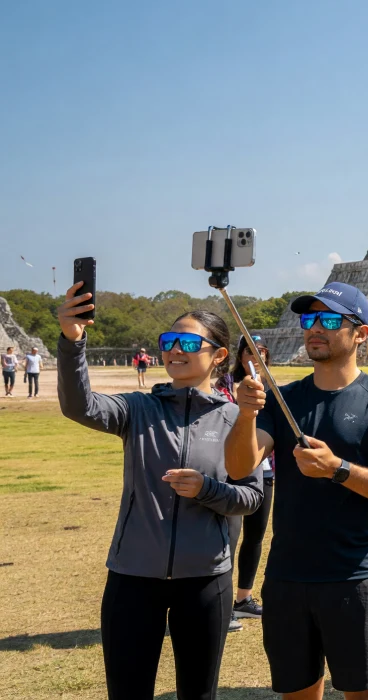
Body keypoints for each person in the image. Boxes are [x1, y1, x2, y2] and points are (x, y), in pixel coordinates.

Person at [54, 281, 263, 700]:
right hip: (133, 576)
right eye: (168, 341)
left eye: (188, 341)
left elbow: (251, 497)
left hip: (206, 580)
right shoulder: (137, 408)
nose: (173, 350)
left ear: (219, 355)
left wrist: (206, 489)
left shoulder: (234, 417)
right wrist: (72, 341)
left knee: (198, 694)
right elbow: (80, 406)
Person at [225, 282, 368, 700]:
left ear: (361, 333)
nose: (315, 328)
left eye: (330, 320)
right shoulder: (283, 399)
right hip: (287, 577)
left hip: (355, 579)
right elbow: (239, 466)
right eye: (309, 319)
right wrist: (245, 414)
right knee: (298, 693)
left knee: (363, 694)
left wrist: (339, 469)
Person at [227, 335, 274, 628]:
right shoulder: (226, 385)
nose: (256, 356)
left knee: (255, 537)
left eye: (261, 351)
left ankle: (243, 598)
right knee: (229, 538)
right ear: (240, 354)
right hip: (232, 472)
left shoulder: (273, 389)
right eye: (249, 350)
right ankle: (222, 603)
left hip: (265, 472)